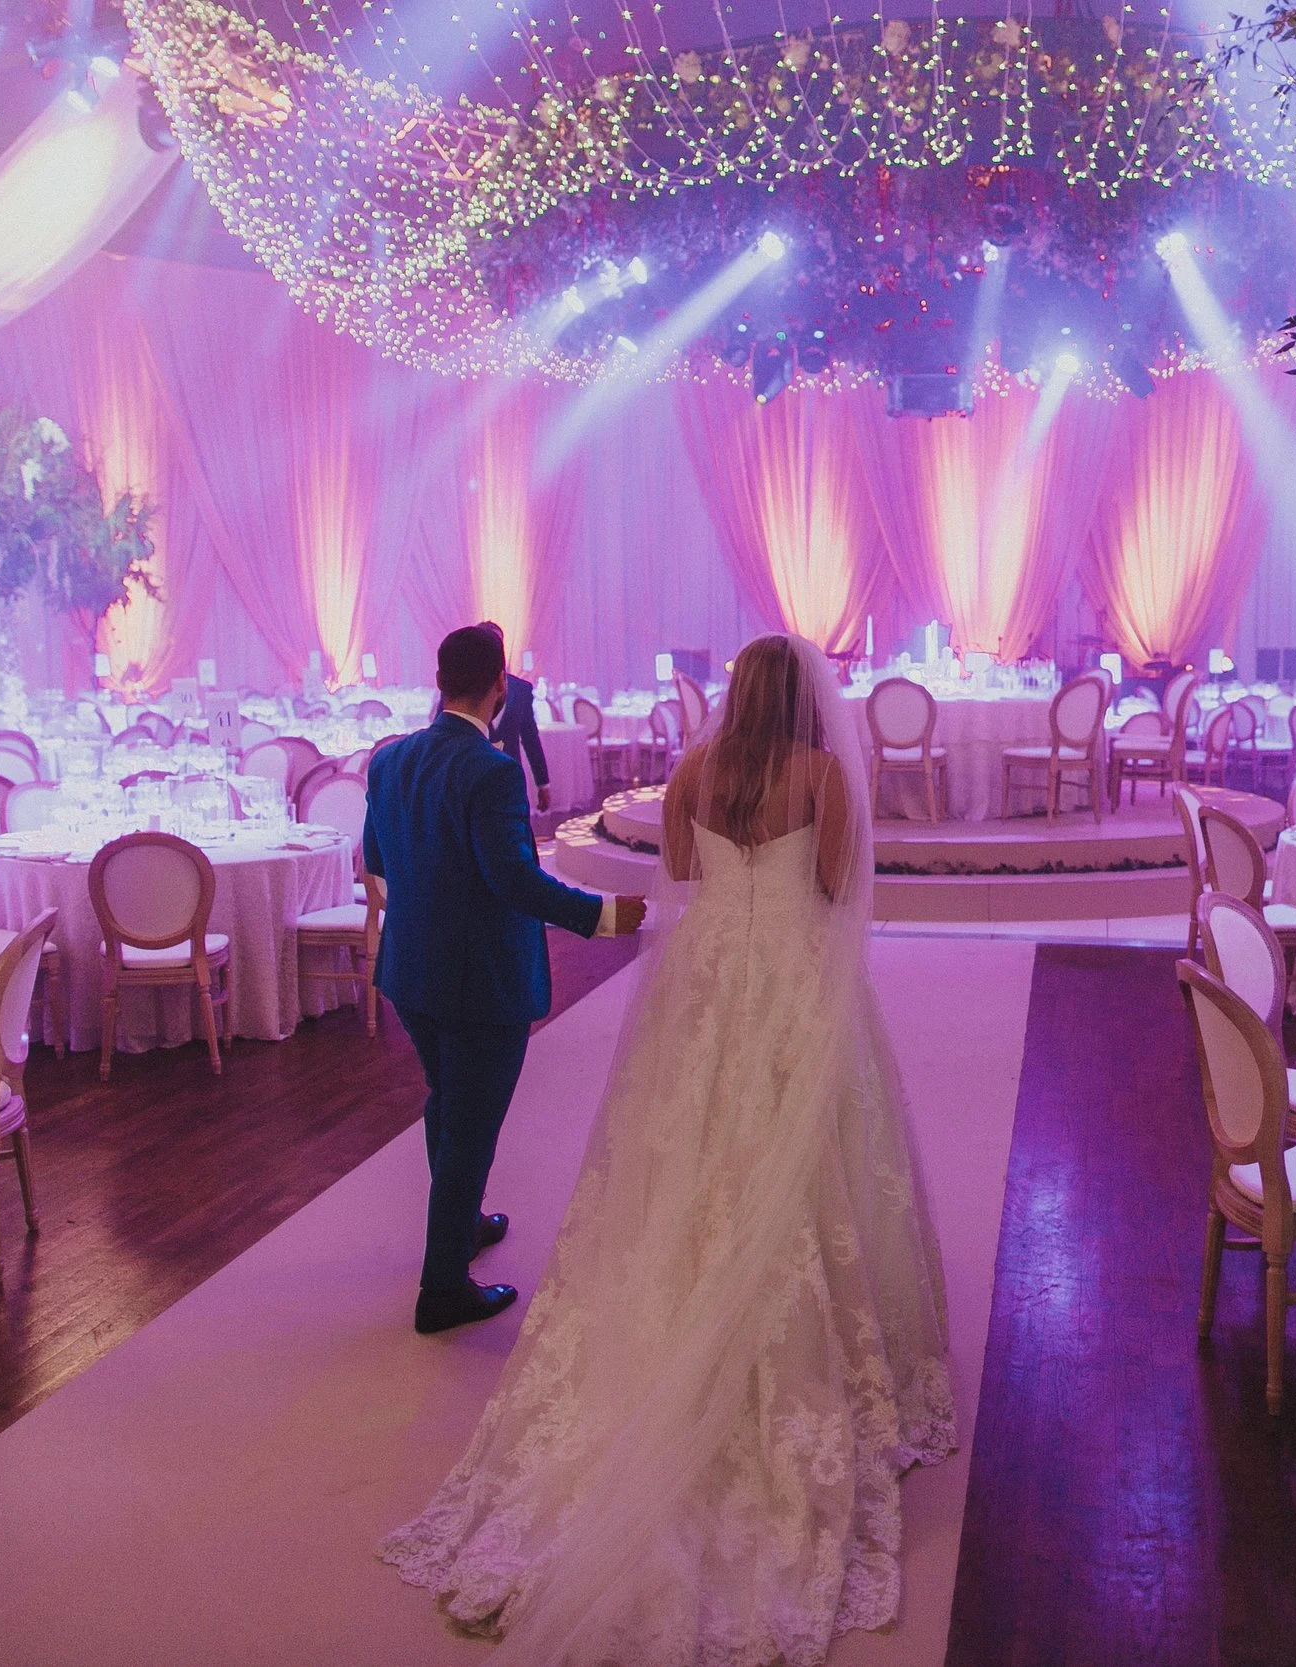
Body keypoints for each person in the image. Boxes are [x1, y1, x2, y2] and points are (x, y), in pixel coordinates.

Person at [380, 633, 954, 1667]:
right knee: (798, 1144)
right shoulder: (820, 772)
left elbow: (682, 872)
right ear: (805, 698)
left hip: (701, 973)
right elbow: (833, 887)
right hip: (787, 973)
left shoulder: (691, 768)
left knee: (680, 1140)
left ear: (736, 692)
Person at [364, 626, 646, 1336]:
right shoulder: (491, 771)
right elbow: (513, 879)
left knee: (446, 1101)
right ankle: (443, 1287)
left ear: (439, 680)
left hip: (410, 970)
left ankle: (461, 1223)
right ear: (499, 686)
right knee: (468, 1126)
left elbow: (376, 857)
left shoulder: (389, 760)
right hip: (477, 979)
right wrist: (607, 915)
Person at [474, 621, 553, 814]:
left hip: (510, 780)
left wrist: (542, 783)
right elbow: (442, 737)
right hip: (472, 781)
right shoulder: (459, 691)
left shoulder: (521, 689)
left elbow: (530, 739)